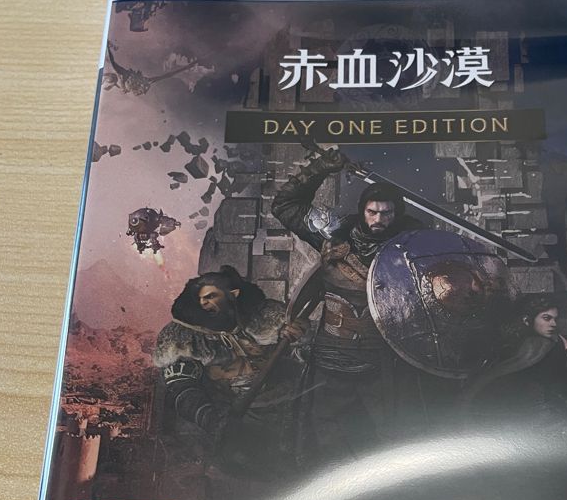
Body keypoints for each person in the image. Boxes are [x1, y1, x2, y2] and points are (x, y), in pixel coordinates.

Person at [270, 147, 421, 461]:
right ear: (363, 210)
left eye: (387, 213)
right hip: (332, 353)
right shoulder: (334, 233)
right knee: (326, 434)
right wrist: (322, 167)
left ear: (397, 213)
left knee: (391, 436)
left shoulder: (414, 244)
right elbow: (285, 205)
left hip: (385, 356)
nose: (378, 219)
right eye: (372, 212)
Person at [153, 265, 305, 471]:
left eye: (211, 296)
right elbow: (183, 390)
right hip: (236, 414)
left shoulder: (263, 316)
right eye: (201, 298)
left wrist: (298, 337)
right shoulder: (184, 335)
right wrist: (214, 421)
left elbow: (302, 357)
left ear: (233, 295)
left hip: (291, 403)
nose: (204, 303)